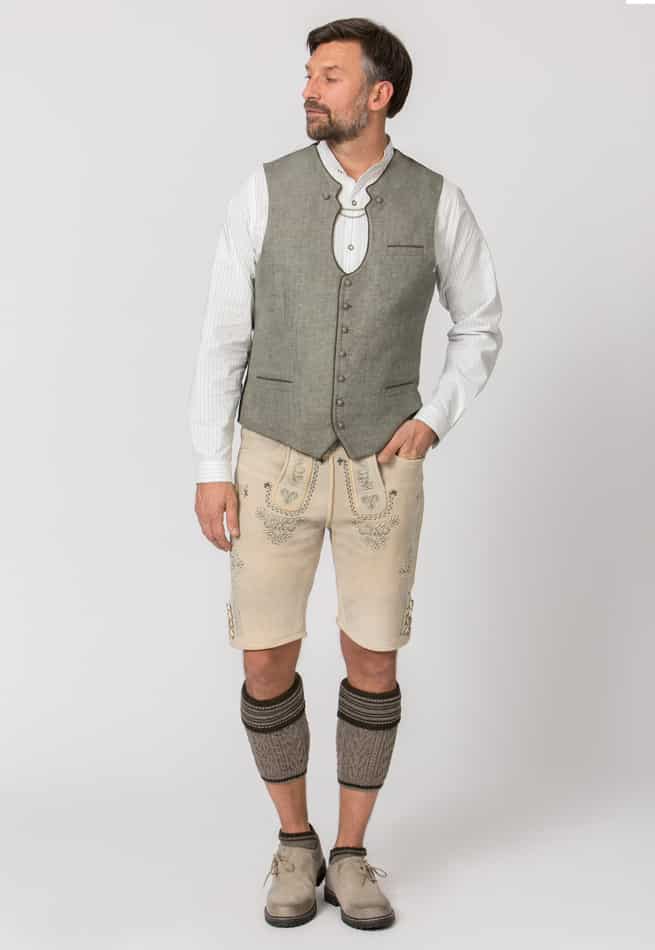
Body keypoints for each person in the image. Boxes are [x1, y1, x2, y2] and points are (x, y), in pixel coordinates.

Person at [188, 16, 503, 930]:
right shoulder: (264, 191)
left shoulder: (437, 201)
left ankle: (354, 852)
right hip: (272, 458)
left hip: (380, 468)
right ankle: (296, 842)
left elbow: (480, 323)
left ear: (378, 93)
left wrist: (433, 418)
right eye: (309, 74)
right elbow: (223, 335)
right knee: (264, 659)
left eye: (328, 76)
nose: (308, 90)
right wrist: (212, 462)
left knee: (373, 658)